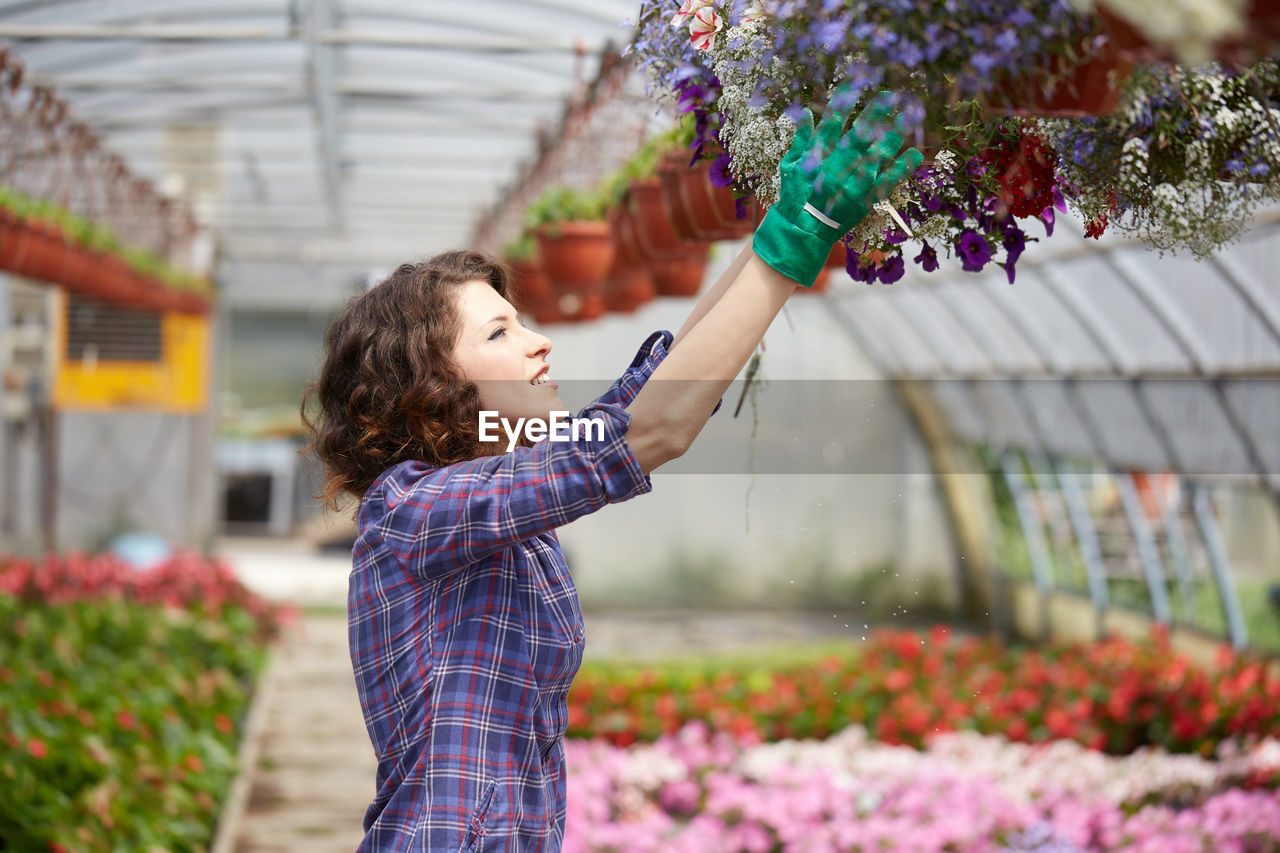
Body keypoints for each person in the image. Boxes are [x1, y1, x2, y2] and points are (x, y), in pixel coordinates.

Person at [301, 91, 920, 852]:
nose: (539, 344)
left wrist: (778, 223)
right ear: (430, 384)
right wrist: (801, 235)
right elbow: (654, 430)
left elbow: (643, 401)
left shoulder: (506, 499)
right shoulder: (412, 511)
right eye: (501, 331)